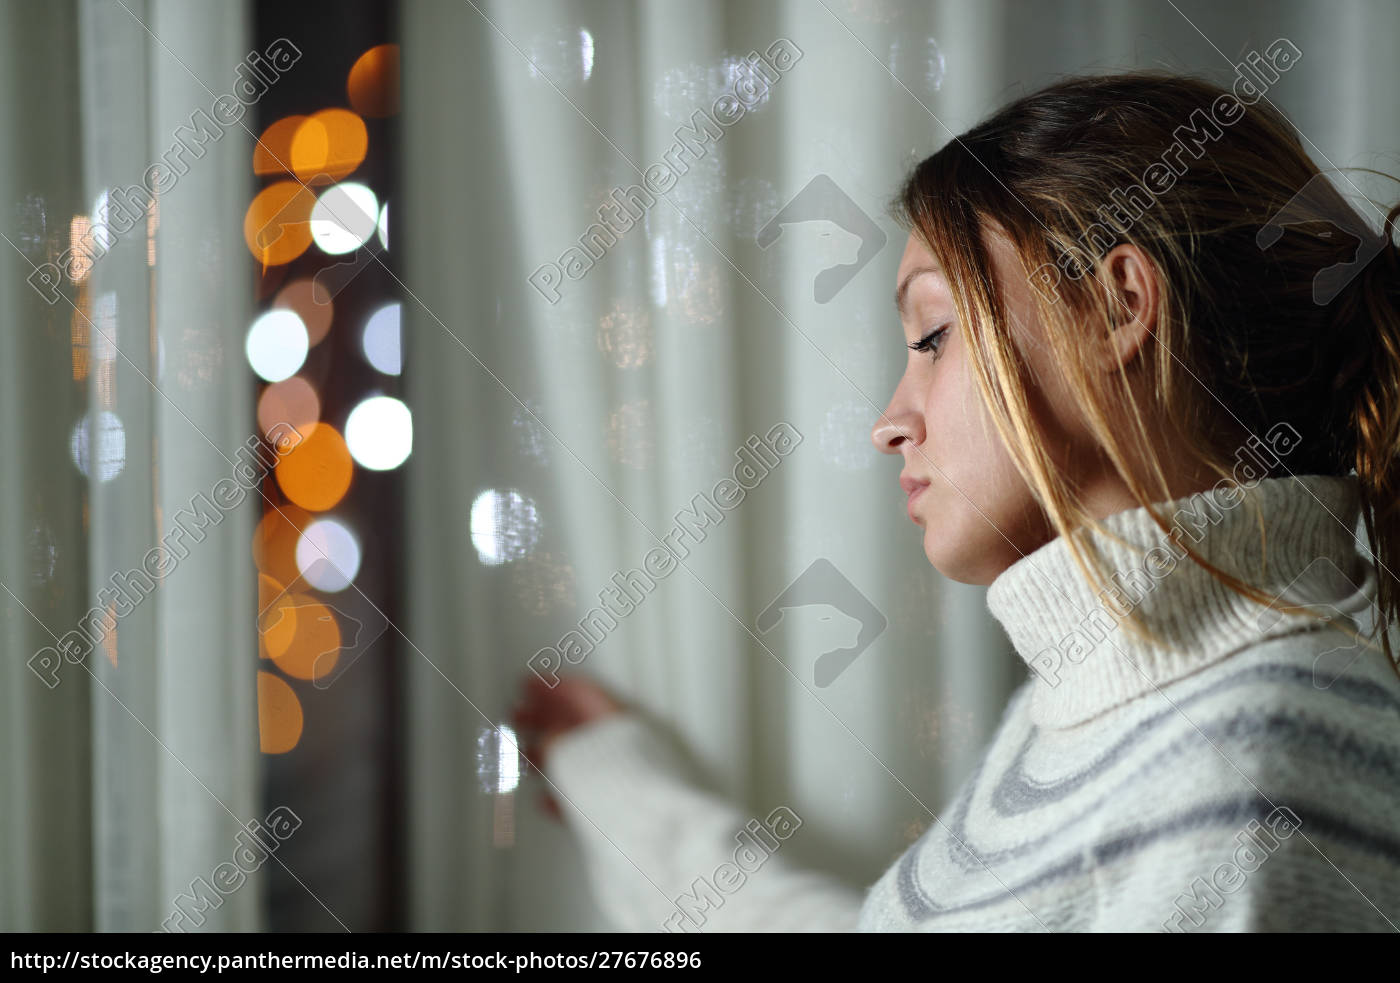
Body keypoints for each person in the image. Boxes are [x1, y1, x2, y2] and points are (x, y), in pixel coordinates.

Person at [512, 71, 1400, 932]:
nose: (889, 424)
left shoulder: (1259, 757)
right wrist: (619, 784)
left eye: (934, 334)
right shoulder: (1093, 704)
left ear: (1118, 307)